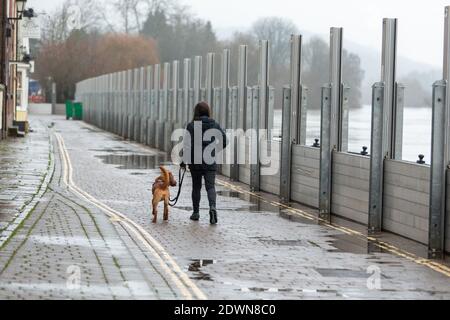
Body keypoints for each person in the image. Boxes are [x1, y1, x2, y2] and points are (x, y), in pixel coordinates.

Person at [181, 102, 227, 225]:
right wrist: (214, 150)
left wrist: (183, 161)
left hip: (195, 161)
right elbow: (224, 140)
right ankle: (212, 207)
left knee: (196, 187)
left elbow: (187, 144)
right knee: (210, 187)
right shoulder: (214, 124)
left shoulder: (192, 125)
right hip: (209, 160)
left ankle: (196, 213)